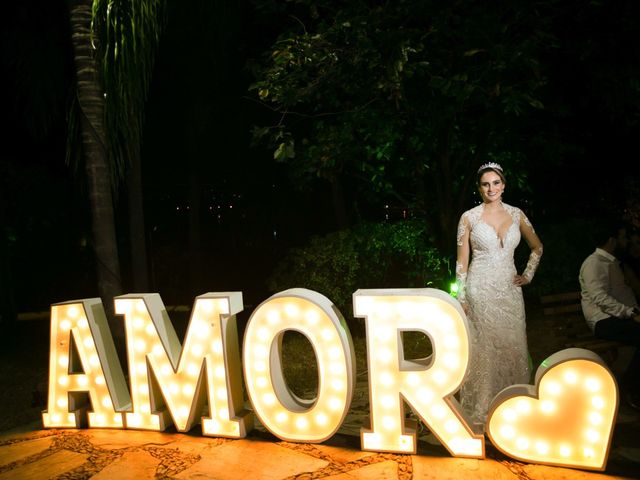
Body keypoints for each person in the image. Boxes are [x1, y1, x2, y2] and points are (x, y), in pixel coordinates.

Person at [455, 162, 543, 428]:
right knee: (486, 350)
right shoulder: (469, 217)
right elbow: (461, 262)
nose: (491, 188)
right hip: (480, 290)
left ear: (503, 185)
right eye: (485, 184)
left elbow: (537, 247)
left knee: (513, 346)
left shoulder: (517, 215)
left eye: (495, 182)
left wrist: (527, 274)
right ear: (479, 188)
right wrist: (461, 296)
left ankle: (514, 408)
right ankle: (482, 409)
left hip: (509, 291)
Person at [579, 222, 640, 410]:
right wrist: (630, 313)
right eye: (622, 237)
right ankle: (629, 388)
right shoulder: (594, 263)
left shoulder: (612, 262)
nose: (626, 241)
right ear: (612, 241)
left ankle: (630, 385)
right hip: (604, 321)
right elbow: (600, 298)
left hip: (617, 317)